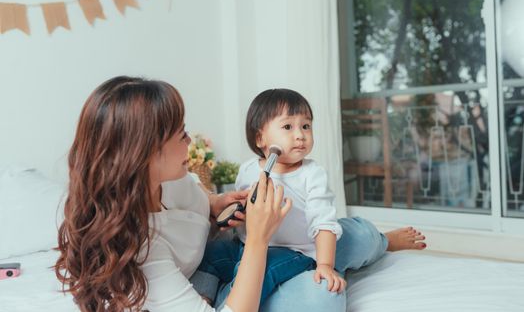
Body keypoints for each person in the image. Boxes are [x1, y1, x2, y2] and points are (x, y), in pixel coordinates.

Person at [54, 76, 292, 312]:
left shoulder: (163, 180)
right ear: (145, 154)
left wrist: (213, 202)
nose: (189, 140)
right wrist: (258, 239)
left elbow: (192, 183)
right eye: (181, 134)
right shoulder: (142, 250)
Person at [198, 88, 427, 308]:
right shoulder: (248, 170)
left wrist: (325, 265)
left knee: (266, 270)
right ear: (260, 139)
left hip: (294, 251)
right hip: (246, 247)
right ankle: (203, 298)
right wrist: (237, 215)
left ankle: (225, 304)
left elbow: (323, 223)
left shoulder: (311, 174)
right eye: (288, 126)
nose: (300, 135)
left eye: (306, 126)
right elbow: (246, 215)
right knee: (210, 255)